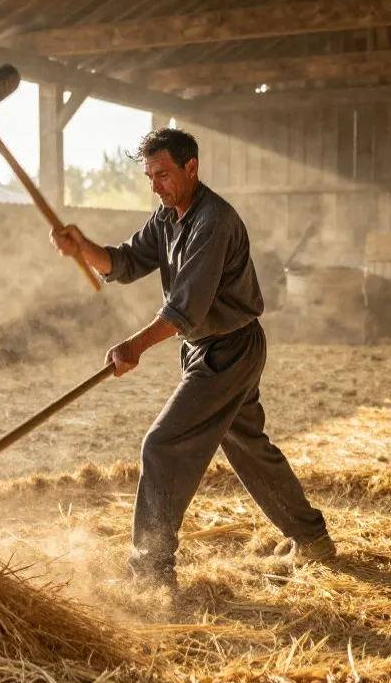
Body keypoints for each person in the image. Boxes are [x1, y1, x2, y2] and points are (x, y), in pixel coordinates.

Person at [50, 128, 334, 589]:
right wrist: (82, 248)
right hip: (208, 348)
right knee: (249, 450)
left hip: (231, 349)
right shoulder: (166, 218)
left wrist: (133, 347)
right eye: (149, 176)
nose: (155, 186)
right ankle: (313, 539)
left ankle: (151, 571)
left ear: (191, 168)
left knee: (162, 445)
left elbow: (184, 310)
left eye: (163, 174)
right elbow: (122, 263)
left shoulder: (213, 222)